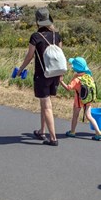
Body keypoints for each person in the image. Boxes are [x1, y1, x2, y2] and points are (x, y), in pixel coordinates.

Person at [16, 7, 63, 146]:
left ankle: (53, 138)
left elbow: (30, 56)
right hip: (55, 74)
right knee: (45, 103)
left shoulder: (35, 37)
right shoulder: (57, 35)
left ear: (37, 21)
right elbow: (60, 55)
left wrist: (20, 69)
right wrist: (61, 74)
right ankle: (42, 131)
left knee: (47, 106)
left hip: (42, 75)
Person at [60, 56, 101, 140]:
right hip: (88, 100)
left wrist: (61, 81)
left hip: (78, 102)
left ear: (75, 68)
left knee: (75, 116)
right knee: (89, 116)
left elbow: (68, 88)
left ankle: (72, 131)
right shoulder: (88, 77)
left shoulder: (76, 80)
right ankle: (98, 132)